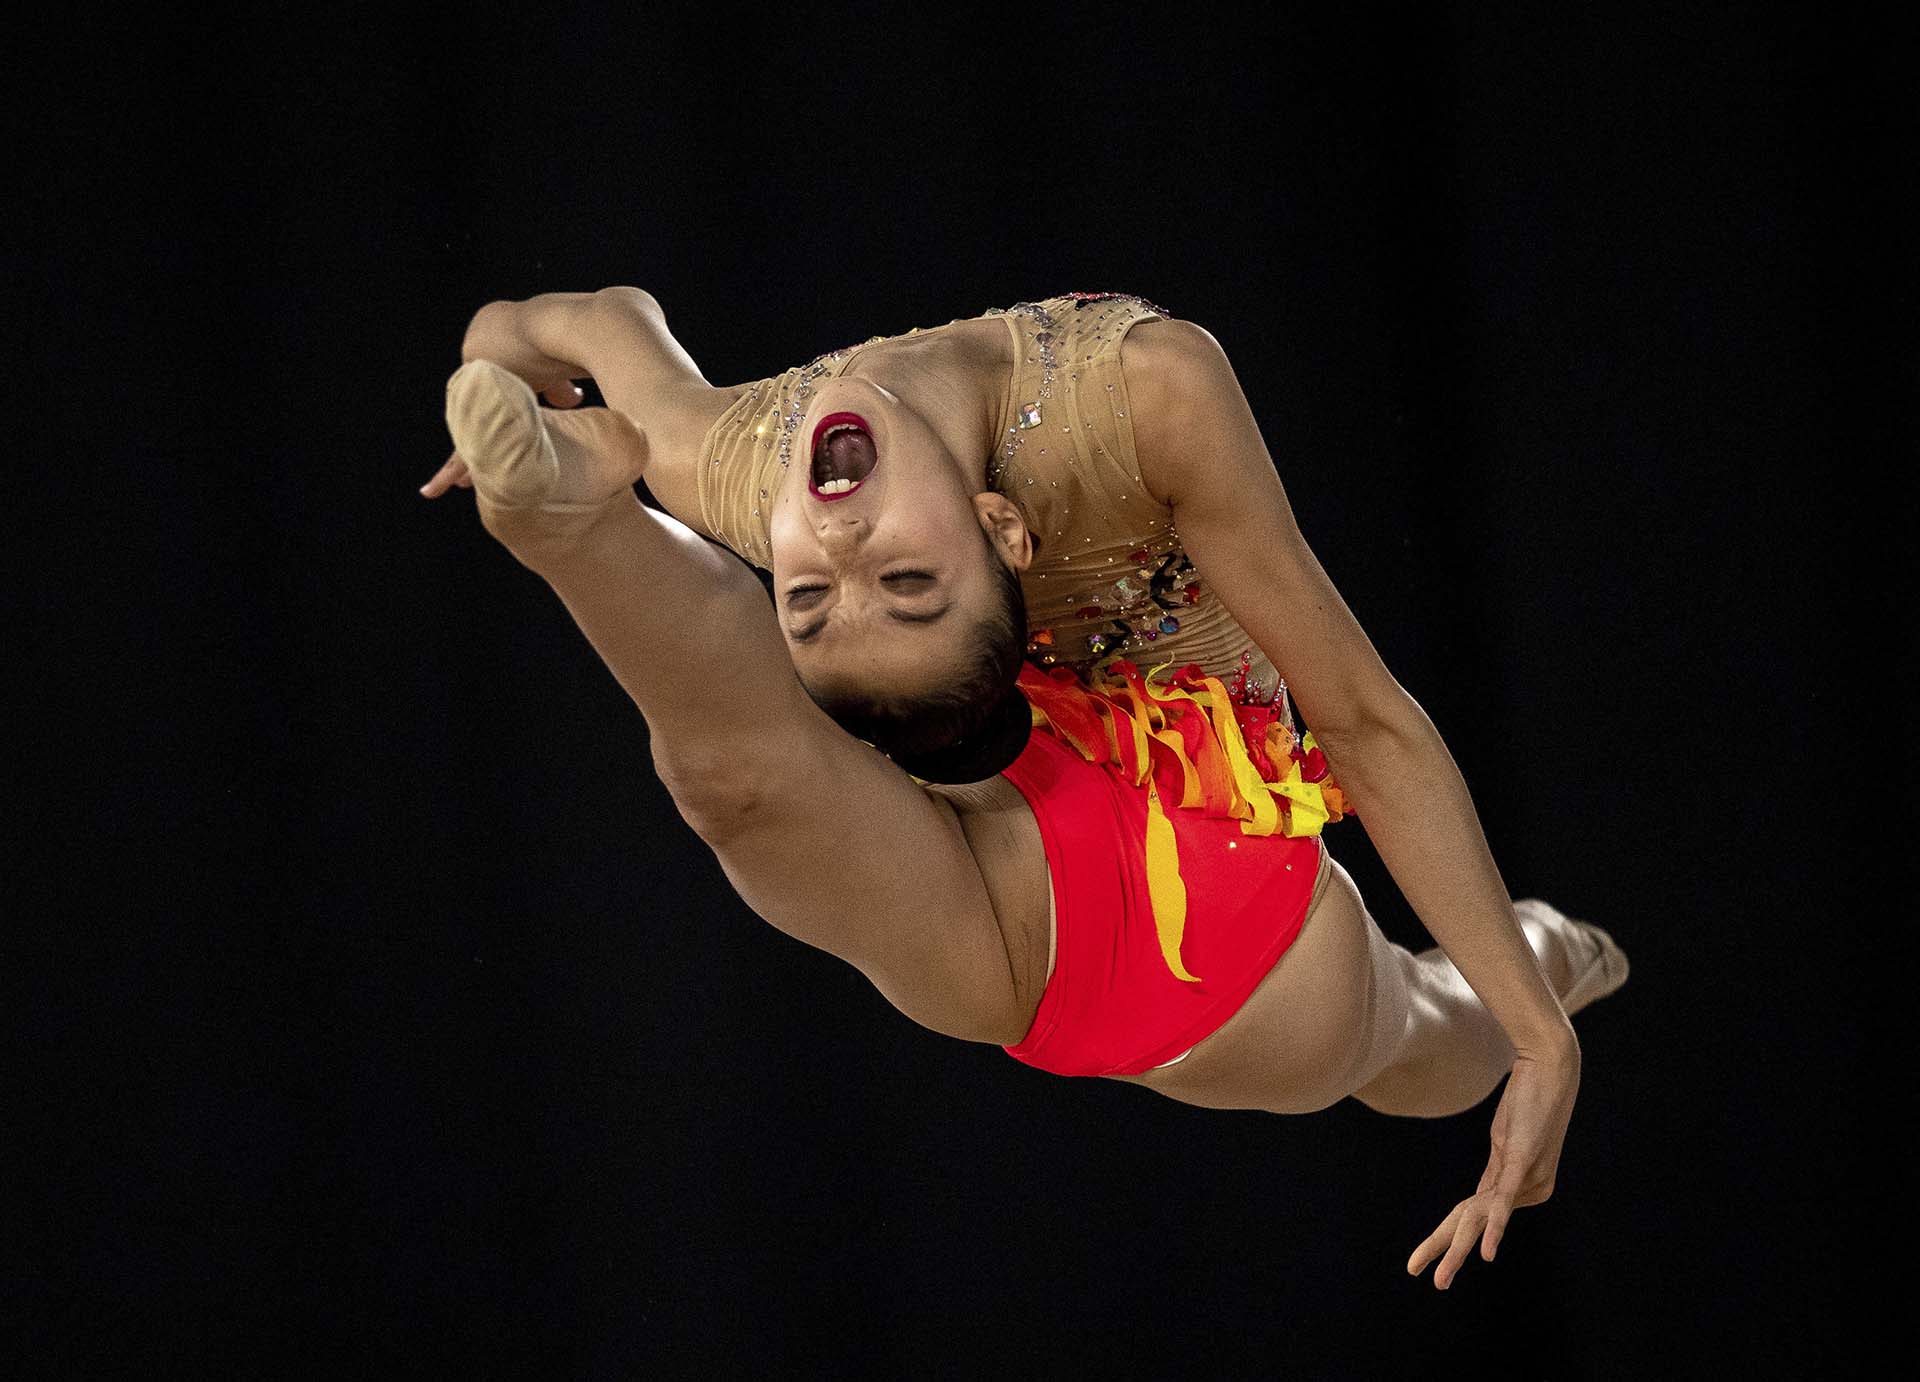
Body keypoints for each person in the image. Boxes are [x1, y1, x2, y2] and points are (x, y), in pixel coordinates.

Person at [421, 287, 1629, 1290]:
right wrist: (525, 418)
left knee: (1422, 1027)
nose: (836, 556)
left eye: (852, 587)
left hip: (1211, 855)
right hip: (1016, 890)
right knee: (731, 786)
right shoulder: (745, 475)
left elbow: (1363, 722)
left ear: (1008, 528)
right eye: (869, 587)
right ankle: (573, 524)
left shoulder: (1135, 397)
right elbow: (545, 331)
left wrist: (1537, 1036)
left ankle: (1546, 951)